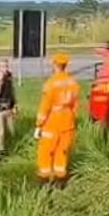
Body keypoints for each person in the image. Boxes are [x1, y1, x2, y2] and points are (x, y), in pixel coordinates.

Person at [34, 53, 80, 184]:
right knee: (62, 152)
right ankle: (60, 180)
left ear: (54, 65)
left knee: (46, 152)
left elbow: (45, 107)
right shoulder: (73, 82)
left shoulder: (51, 84)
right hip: (68, 123)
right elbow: (76, 106)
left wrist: (38, 125)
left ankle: (44, 180)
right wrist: (73, 119)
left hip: (52, 123)